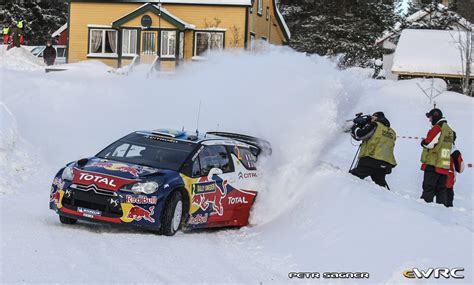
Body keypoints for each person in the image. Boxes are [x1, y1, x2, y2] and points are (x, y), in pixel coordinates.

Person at [350, 112, 397, 189]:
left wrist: (354, 127)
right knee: (381, 186)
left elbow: (360, 135)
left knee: (352, 178)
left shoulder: (375, 125)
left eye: (372, 117)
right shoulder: (392, 132)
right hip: (385, 163)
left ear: (376, 118)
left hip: (370, 159)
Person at [420, 108, 454, 206]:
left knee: (428, 189)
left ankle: (424, 210)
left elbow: (429, 143)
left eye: (430, 117)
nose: (430, 120)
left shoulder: (438, 127)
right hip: (444, 165)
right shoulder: (449, 130)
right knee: (441, 191)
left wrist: (423, 142)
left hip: (433, 163)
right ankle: (441, 212)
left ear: (435, 116)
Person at [446, 132, 464, 207]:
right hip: (448, 183)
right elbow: (460, 169)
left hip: (433, 180)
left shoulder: (437, 147)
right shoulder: (454, 151)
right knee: (447, 207)